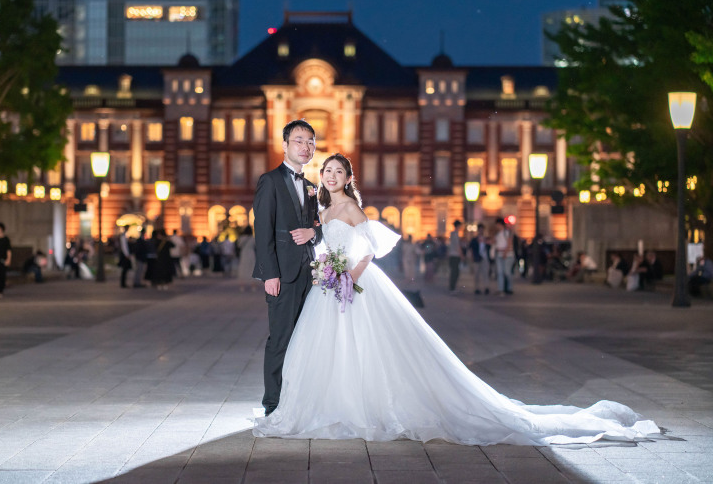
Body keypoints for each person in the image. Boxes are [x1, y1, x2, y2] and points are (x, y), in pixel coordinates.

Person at [254, 153, 660, 445]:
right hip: (329, 286)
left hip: (352, 285)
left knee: (365, 348)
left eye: (337, 171)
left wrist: (350, 277)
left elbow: (371, 247)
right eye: (327, 170)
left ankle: (357, 407)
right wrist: (324, 264)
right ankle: (328, 404)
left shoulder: (352, 208)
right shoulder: (321, 207)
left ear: (347, 178)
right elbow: (319, 240)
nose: (330, 176)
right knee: (328, 350)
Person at [252, 119, 323, 417]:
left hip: (310, 274)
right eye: (299, 140)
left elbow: (317, 229)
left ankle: (298, 399)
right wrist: (270, 273)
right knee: (281, 339)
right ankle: (273, 404)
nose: (305, 146)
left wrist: (315, 234)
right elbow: (263, 230)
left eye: (310, 141)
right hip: (282, 274)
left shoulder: (310, 186)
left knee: (305, 339)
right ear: (284, 145)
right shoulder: (270, 181)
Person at [493, 218, 515, 296]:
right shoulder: (498, 234)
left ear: (499, 224)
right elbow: (495, 243)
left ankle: (509, 288)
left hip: (508, 255)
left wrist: (505, 253)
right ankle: (501, 289)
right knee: (500, 273)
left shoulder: (507, 233)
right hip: (499, 255)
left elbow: (509, 243)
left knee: (507, 272)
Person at [468, 223, 490, 295]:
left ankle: (486, 287)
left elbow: (489, 247)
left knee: (485, 273)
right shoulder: (474, 239)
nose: (481, 231)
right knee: (476, 274)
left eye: (482, 229)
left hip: (484, 258)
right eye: (480, 229)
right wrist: (472, 257)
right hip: (477, 258)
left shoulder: (486, 239)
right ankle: (477, 288)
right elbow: (470, 248)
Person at [236, 225, 256, 290]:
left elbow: (238, 246)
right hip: (251, 254)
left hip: (244, 254)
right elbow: (255, 246)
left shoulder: (241, 238)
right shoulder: (253, 238)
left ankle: (242, 286)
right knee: (251, 268)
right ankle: (253, 286)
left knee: (243, 268)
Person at [447, 220, 463, 293]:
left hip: (451, 255)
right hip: (455, 255)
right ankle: (452, 288)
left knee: (453, 271)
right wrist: (461, 255)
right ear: (458, 226)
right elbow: (457, 246)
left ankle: (452, 287)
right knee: (455, 272)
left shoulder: (452, 233)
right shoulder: (456, 234)